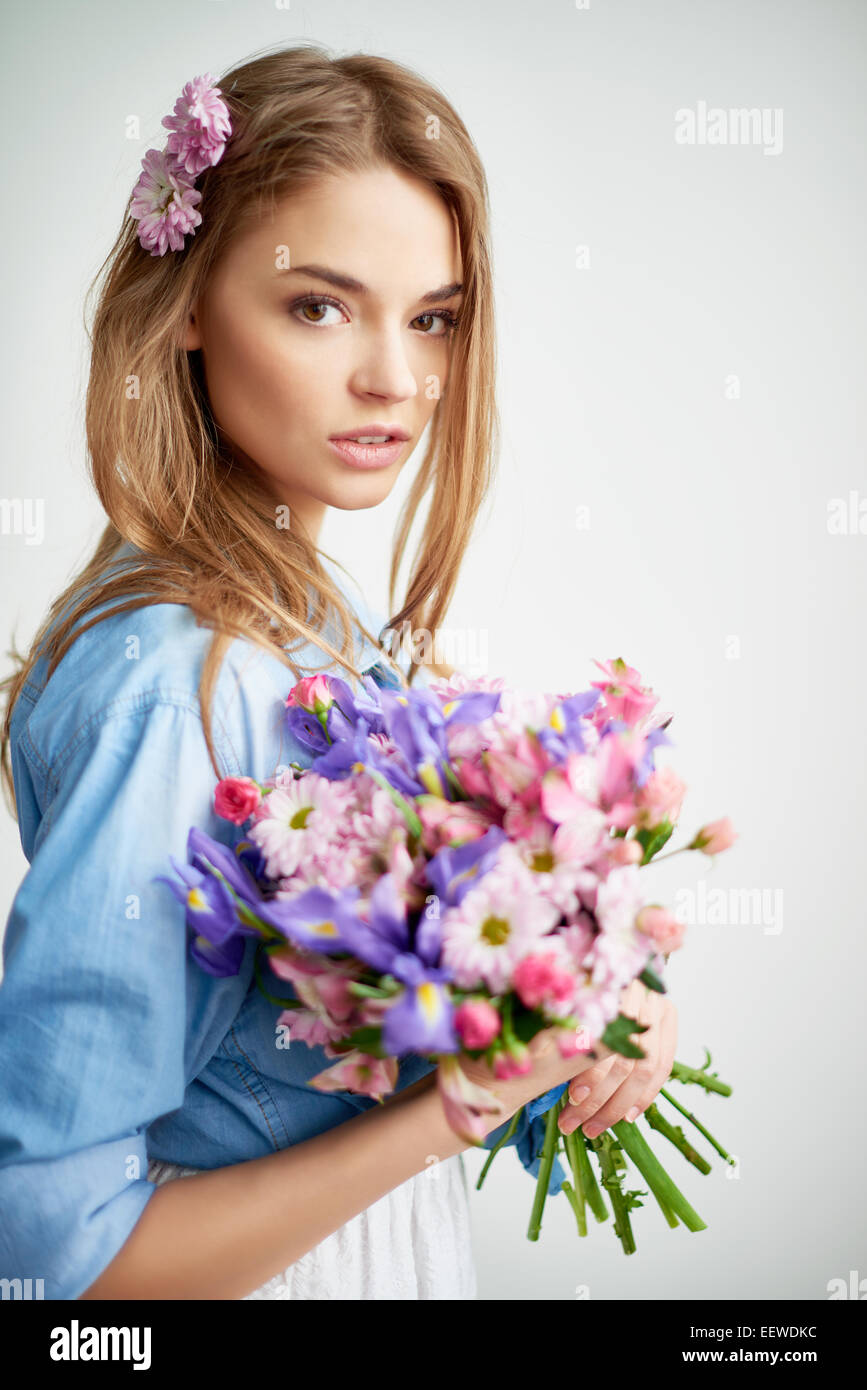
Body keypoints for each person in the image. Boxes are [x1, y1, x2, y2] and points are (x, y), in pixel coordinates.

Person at [0, 43, 676, 1301]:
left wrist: (571, 1023)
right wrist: (453, 1116)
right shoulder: (179, 685)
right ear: (190, 301)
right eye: (319, 304)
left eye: (433, 318)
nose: (396, 380)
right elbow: (59, 1257)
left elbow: (306, 1058)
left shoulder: (318, 610)